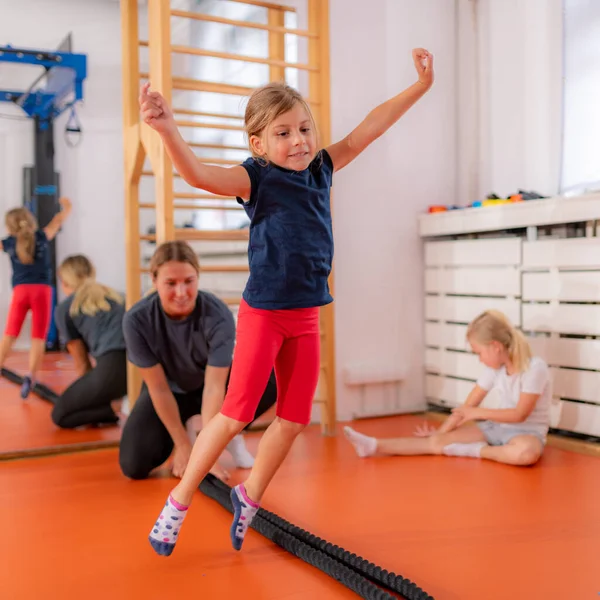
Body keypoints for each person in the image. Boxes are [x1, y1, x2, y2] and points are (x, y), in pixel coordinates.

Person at [139, 46, 434, 557]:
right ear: (258, 143)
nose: (298, 141)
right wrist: (167, 130)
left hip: (305, 316)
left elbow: (370, 127)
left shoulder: (321, 167)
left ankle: (248, 498)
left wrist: (420, 87)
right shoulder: (258, 177)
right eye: (283, 133)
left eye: (304, 128)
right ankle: (178, 502)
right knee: (234, 414)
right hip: (264, 315)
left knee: (295, 417)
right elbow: (198, 176)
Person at [119, 240, 277, 482]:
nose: (181, 293)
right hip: (170, 392)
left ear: (197, 277)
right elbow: (158, 389)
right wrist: (183, 446)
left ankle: (227, 434)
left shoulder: (217, 314)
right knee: (133, 465)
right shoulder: (136, 320)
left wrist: (207, 453)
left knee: (271, 378)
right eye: (170, 283)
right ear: (154, 280)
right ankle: (187, 432)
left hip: (210, 388)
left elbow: (214, 387)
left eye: (188, 282)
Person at [344, 310, 552, 467]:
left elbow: (519, 414)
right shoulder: (495, 369)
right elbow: (466, 409)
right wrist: (440, 433)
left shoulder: (535, 368)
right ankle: (373, 445)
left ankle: (475, 451)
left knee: (525, 455)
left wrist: (475, 413)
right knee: (436, 443)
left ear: (495, 346)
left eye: (479, 352)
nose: (479, 359)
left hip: (527, 434)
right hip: (495, 430)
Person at [0, 197, 72, 398]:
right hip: (42, 291)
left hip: (21, 292)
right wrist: (67, 208)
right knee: (38, 336)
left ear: (10, 225)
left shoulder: (8, 243)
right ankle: (31, 376)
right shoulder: (41, 236)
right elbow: (57, 222)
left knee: (10, 333)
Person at [51, 254, 126, 428]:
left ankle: (111, 411)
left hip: (113, 368)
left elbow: (82, 364)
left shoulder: (66, 308)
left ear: (65, 283)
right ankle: (112, 408)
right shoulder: (117, 296)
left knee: (60, 415)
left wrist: (94, 397)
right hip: (142, 367)